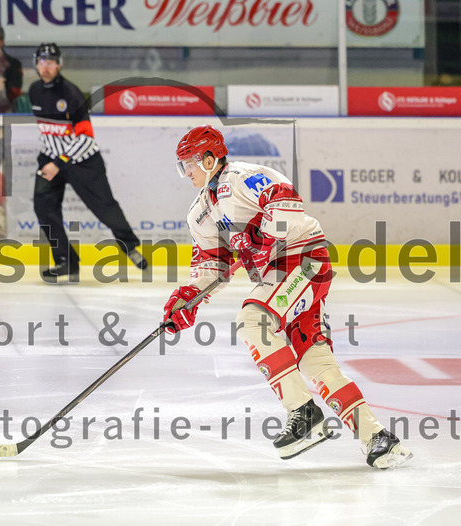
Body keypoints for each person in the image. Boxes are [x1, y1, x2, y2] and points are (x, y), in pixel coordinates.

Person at [162, 125, 413, 469]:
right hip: (279, 277)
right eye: (183, 165)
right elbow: (211, 265)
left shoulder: (243, 177)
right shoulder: (200, 213)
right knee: (315, 362)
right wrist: (188, 299)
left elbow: (286, 200)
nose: (186, 171)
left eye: (190, 162)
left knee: (253, 319)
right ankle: (380, 439)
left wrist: (265, 238)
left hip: (302, 259)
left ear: (209, 159)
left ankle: (303, 411)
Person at [29, 43, 147, 282]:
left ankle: (130, 247)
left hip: (83, 160)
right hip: (51, 158)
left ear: (59, 65)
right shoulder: (34, 91)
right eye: (42, 62)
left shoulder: (71, 94)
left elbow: (85, 137)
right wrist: (51, 160)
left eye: (51, 62)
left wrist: (59, 162)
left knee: (104, 206)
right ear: (36, 64)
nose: (46, 67)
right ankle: (66, 261)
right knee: (43, 207)